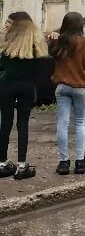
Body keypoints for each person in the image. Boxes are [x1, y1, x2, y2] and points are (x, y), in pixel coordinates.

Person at [49, 12, 85, 176]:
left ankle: (63, 163)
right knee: (80, 123)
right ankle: (80, 162)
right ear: (81, 26)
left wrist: (53, 35)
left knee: (62, 123)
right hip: (81, 88)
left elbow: (50, 52)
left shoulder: (60, 42)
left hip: (62, 87)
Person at [0, 12, 48, 181]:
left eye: (9, 22)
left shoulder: (7, 45)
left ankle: (2, 163)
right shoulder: (36, 46)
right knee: (23, 124)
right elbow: (42, 69)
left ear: (16, 26)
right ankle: (22, 166)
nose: (6, 24)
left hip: (6, 86)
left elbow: (1, 66)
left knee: (5, 123)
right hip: (27, 87)